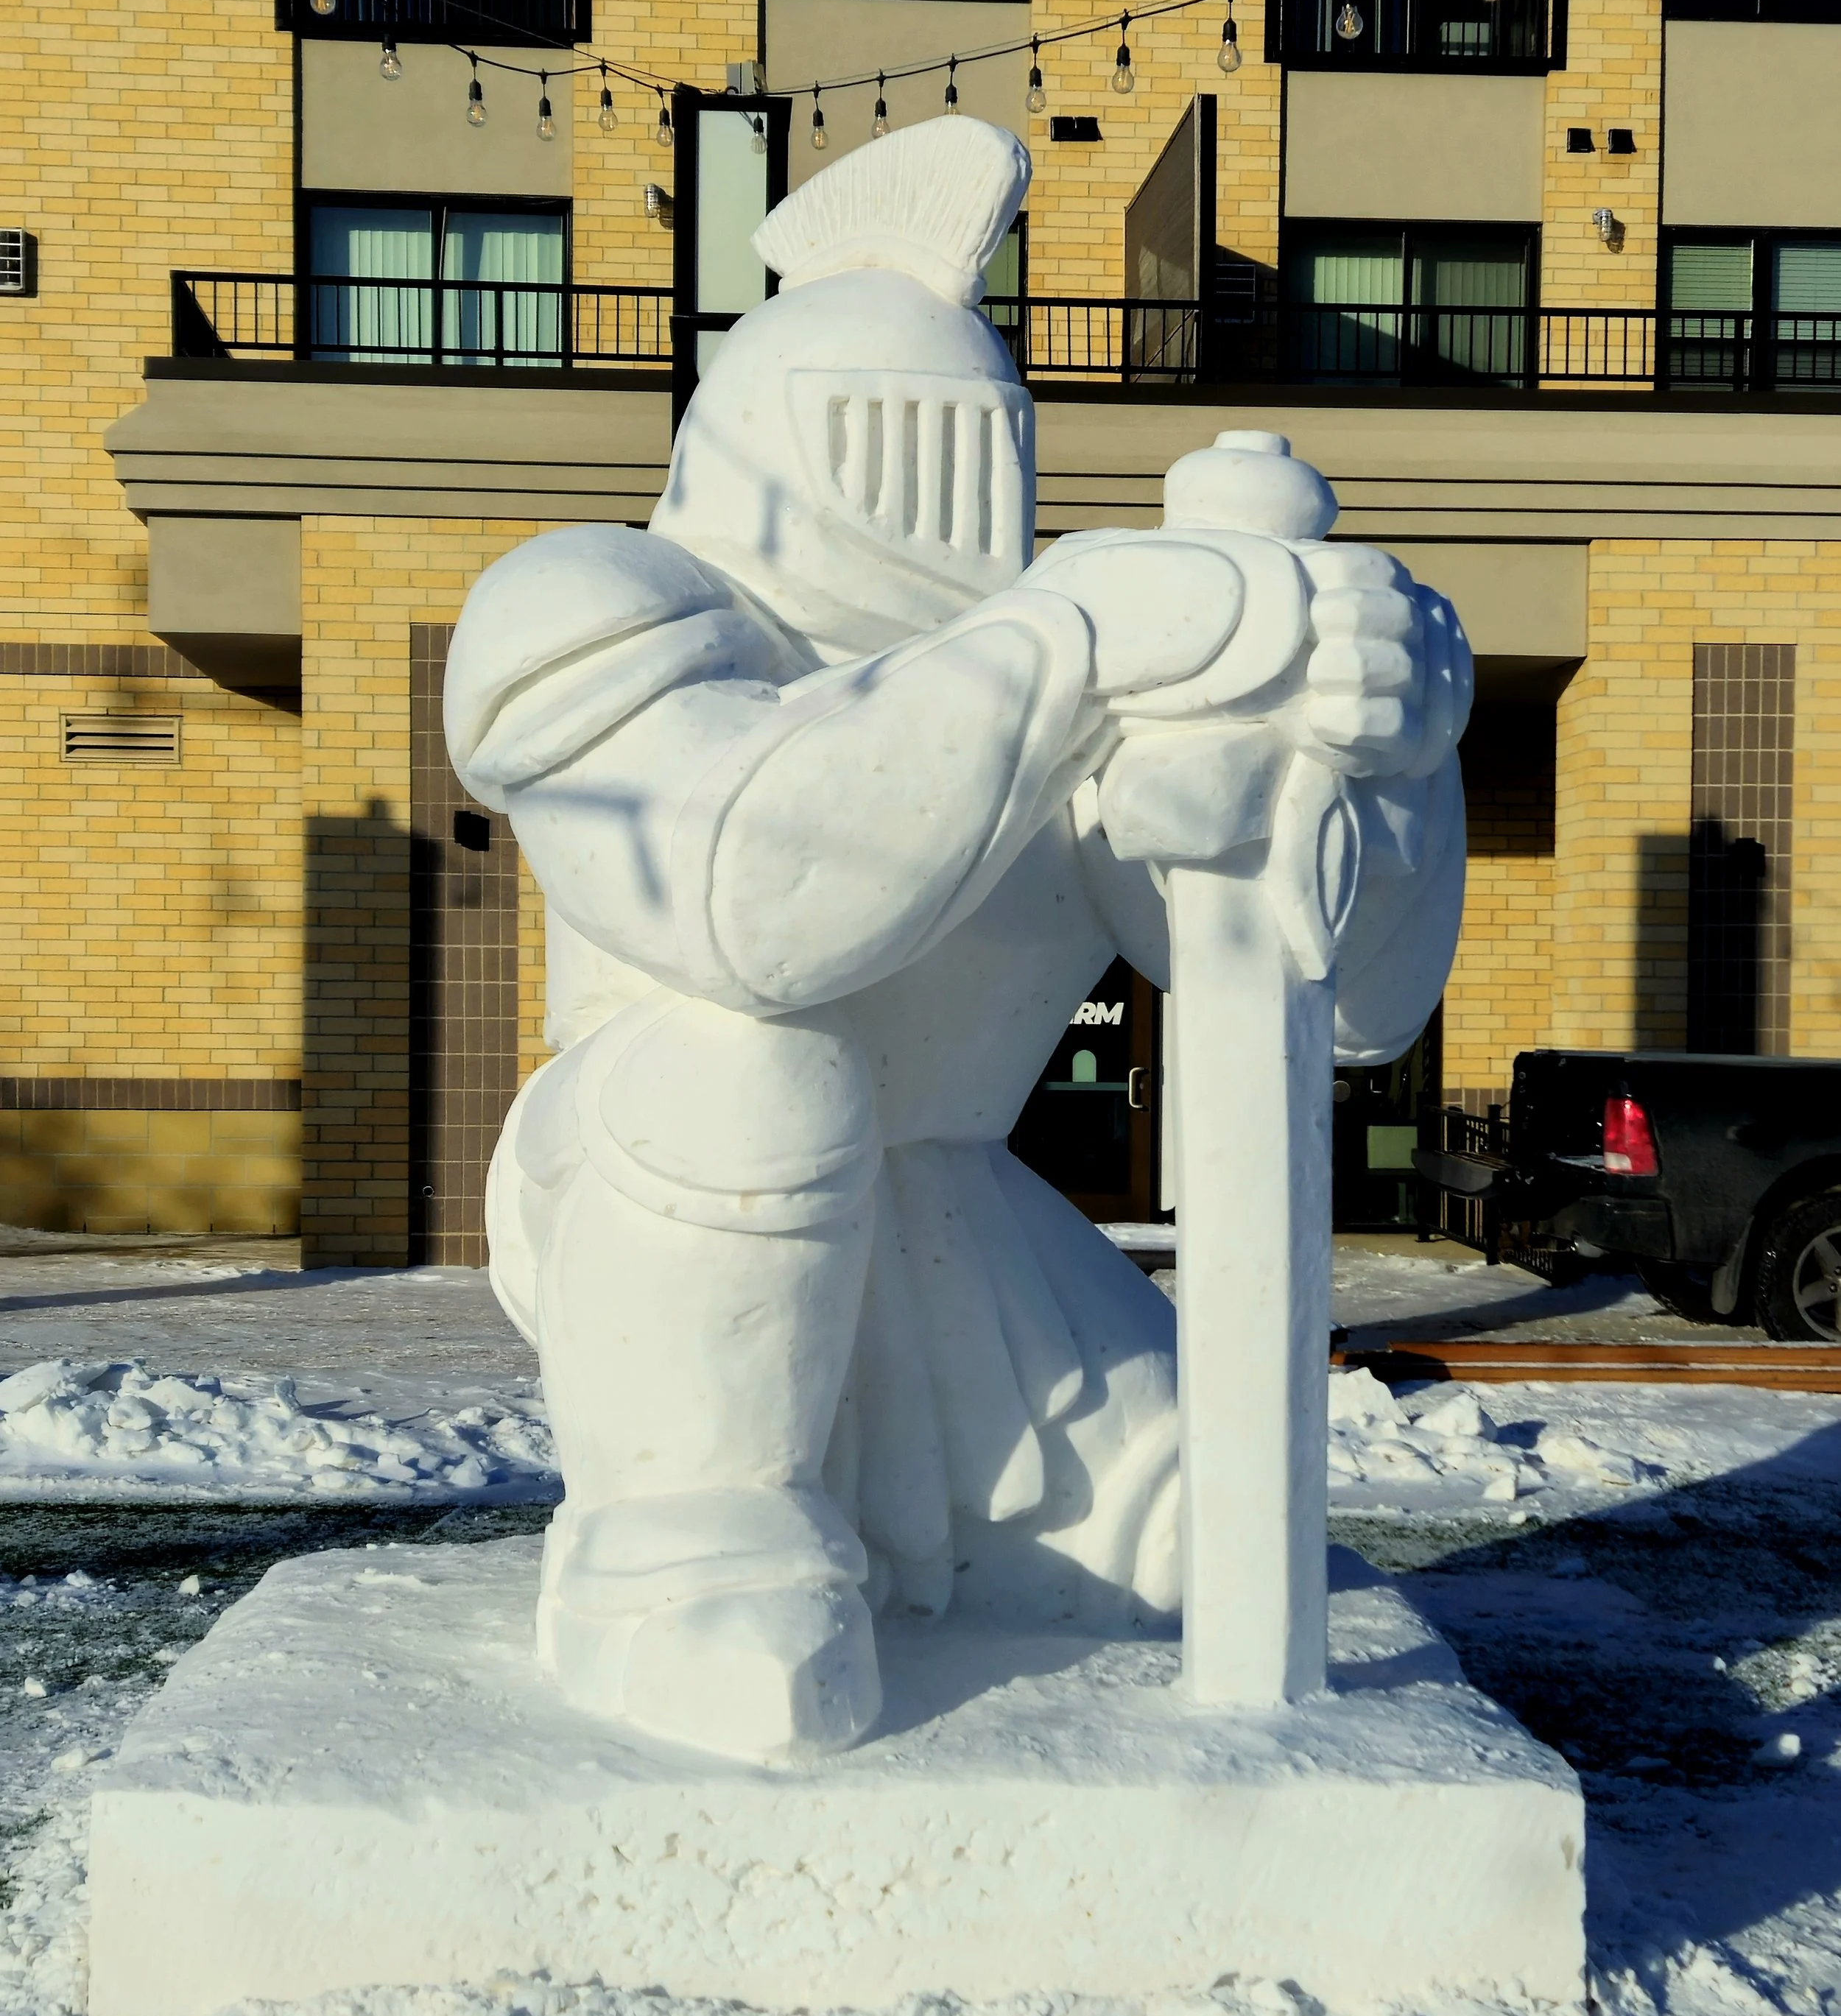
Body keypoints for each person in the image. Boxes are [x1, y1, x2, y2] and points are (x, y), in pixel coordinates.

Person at [443, 117, 1467, 1764]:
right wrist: (1078, 638)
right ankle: (679, 1550)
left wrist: (1374, 760)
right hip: (663, 1197)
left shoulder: (1069, 658)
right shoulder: (603, 606)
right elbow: (756, 908)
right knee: (749, 1068)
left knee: (1207, 1537)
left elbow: (1346, 1004)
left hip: (954, 1224)